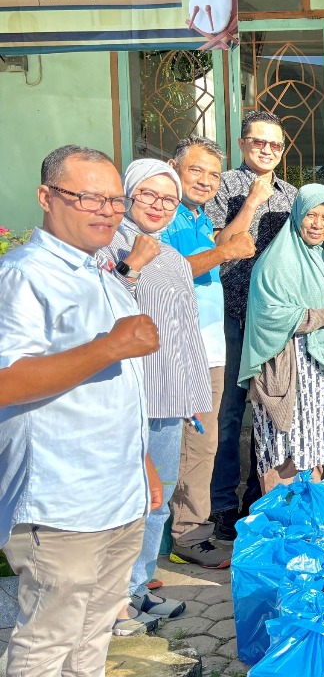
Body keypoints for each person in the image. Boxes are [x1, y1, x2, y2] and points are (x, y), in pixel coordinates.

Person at [0, 145, 161, 673]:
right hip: (62, 502)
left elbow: (120, 391)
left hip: (118, 492)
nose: (107, 211)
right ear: (47, 197)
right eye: (88, 197)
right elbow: (5, 381)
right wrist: (107, 347)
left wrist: (144, 466)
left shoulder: (100, 271)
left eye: (115, 199)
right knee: (46, 642)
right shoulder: (23, 275)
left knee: (93, 635)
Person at [99, 159, 213, 631]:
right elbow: (98, 314)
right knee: (119, 499)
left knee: (155, 500)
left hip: (166, 400)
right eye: (148, 195)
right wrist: (131, 266)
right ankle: (111, 602)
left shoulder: (170, 257)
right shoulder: (106, 246)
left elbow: (185, 331)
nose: (159, 206)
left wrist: (193, 393)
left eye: (168, 199)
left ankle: (137, 588)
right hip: (121, 398)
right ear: (127, 195)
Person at [160, 137, 253, 570]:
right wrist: (225, 251)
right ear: (172, 166)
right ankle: (184, 536)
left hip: (208, 347)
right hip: (180, 348)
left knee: (204, 442)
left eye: (214, 174)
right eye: (197, 170)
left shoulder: (196, 217)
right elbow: (169, 270)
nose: (206, 180)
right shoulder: (165, 215)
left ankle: (190, 532)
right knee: (186, 444)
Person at [205, 110, 298, 539]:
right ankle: (220, 505)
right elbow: (217, 246)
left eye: (275, 144)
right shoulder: (221, 186)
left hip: (273, 321)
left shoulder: (292, 195)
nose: (266, 150)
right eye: (259, 142)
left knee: (269, 410)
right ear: (243, 144)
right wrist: (251, 204)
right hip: (231, 313)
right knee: (228, 414)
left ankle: (256, 499)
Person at [241, 184, 324, 493]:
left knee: (314, 446)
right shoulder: (276, 262)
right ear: (297, 215)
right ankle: (278, 524)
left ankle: (308, 524)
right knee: (282, 449)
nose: (318, 224)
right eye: (311, 215)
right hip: (287, 366)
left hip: (319, 368)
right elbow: (270, 316)